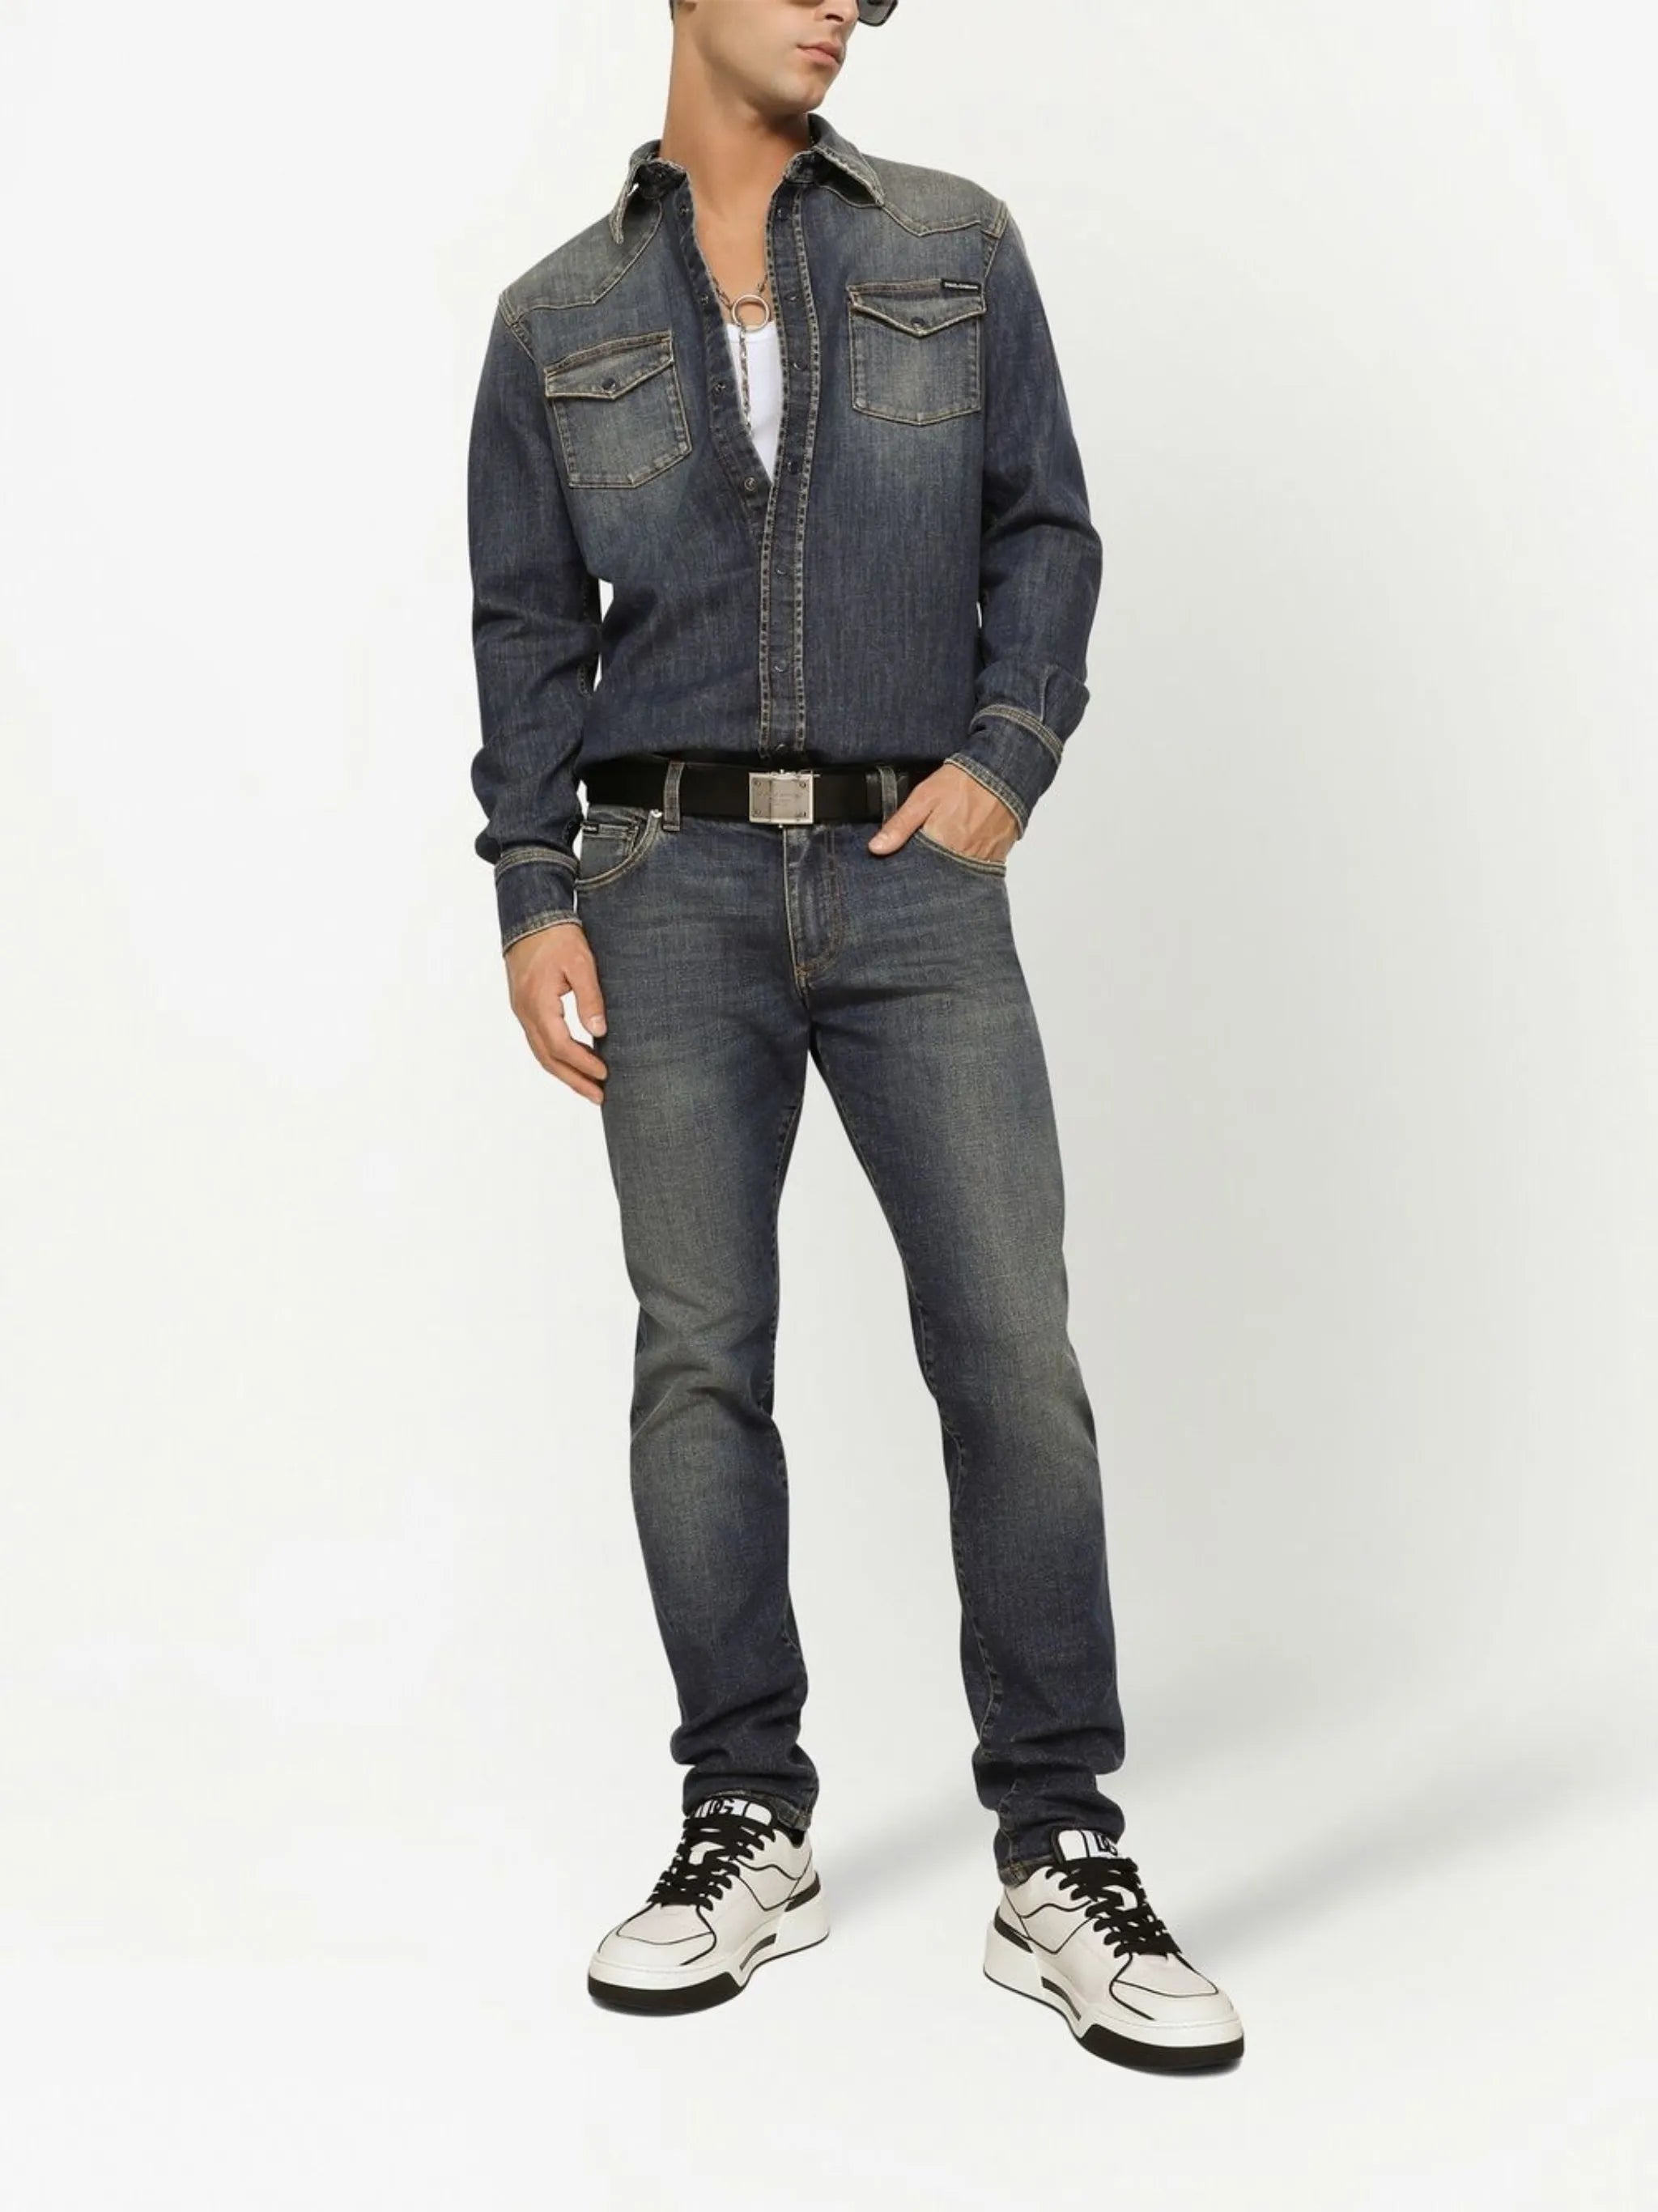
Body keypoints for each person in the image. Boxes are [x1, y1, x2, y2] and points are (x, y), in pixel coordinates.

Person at [466, 0, 1244, 2073]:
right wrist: (533, 887)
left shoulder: (951, 245)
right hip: (666, 885)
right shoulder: (553, 317)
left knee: (1010, 1351)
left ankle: (1058, 1845)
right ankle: (745, 1816)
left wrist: (1009, 750)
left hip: (914, 880)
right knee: (699, 1355)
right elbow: (529, 624)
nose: (844, 8)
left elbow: (1043, 525)